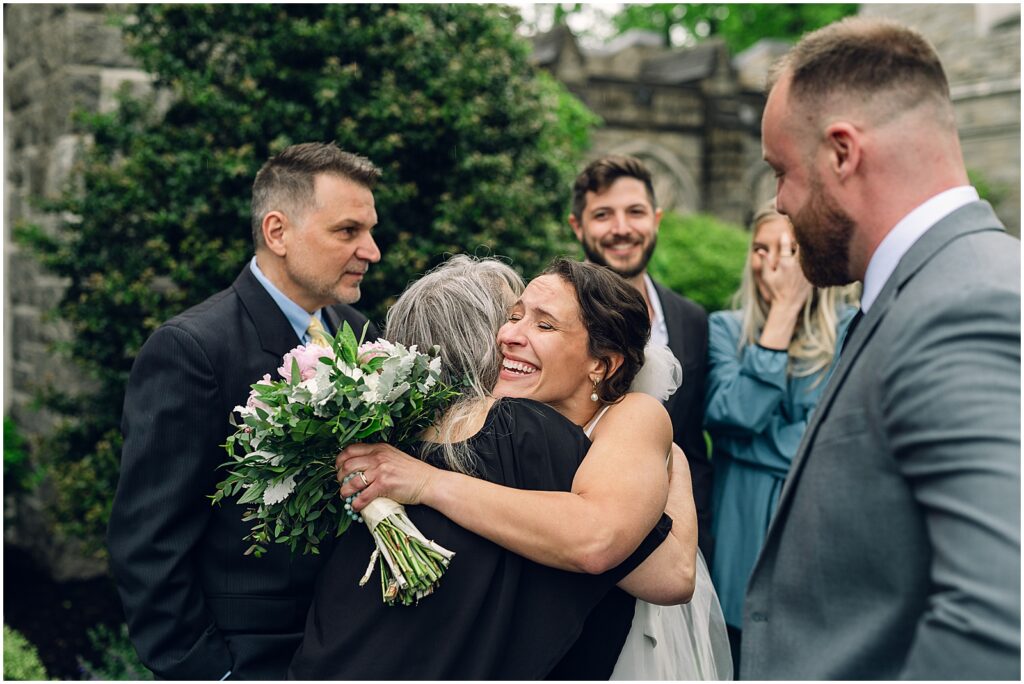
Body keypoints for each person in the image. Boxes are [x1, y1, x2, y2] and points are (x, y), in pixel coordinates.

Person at [744, 17, 1020, 679]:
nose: (778, 203)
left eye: (782, 172)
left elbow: (1000, 619)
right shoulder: (934, 283)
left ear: (842, 152)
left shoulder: (964, 306)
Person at [289, 256, 689, 680]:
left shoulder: (607, 423)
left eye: (544, 324)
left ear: (602, 364)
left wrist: (671, 462)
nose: (510, 335)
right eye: (512, 317)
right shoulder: (500, 431)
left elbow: (666, 573)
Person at [107, 143, 382, 680]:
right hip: (253, 659)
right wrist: (211, 673)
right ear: (277, 232)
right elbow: (147, 543)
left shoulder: (364, 335)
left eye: (370, 231)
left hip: (353, 647)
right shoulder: (192, 350)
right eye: (348, 231)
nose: (372, 251)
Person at [704, 199, 856, 670]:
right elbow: (733, 417)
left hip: (816, 531)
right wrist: (784, 313)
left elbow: (833, 437)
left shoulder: (851, 327)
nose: (774, 263)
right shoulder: (724, 329)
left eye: (789, 248)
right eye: (761, 248)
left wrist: (742, 441)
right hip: (739, 538)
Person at [569, 155, 714, 562]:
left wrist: (700, 537)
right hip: (587, 548)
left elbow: (695, 446)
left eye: (635, 212)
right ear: (577, 226)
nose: (621, 229)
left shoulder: (692, 319)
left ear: (657, 218)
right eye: (603, 215)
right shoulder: (550, 321)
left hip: (680, 543)